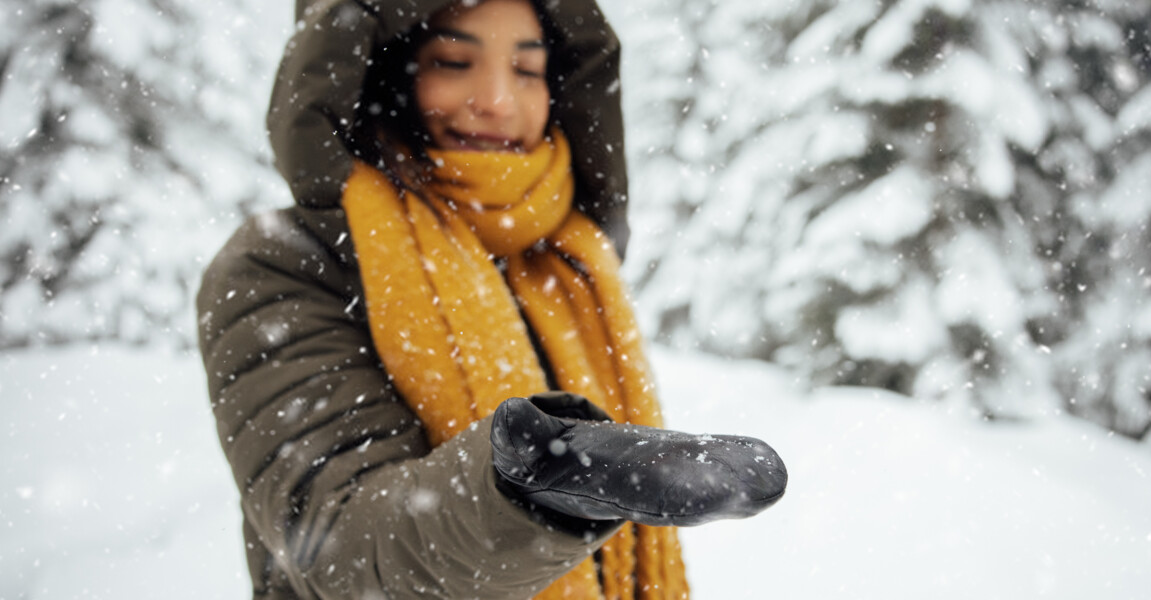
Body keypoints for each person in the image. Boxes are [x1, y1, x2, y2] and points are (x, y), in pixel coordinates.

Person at [196, 0, 787, 598]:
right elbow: (343, 549)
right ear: (381, 74)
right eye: (453, 61)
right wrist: (528, 495)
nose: (498, 99)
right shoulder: (287, 263)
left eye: (528, 71)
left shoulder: (569, 263)